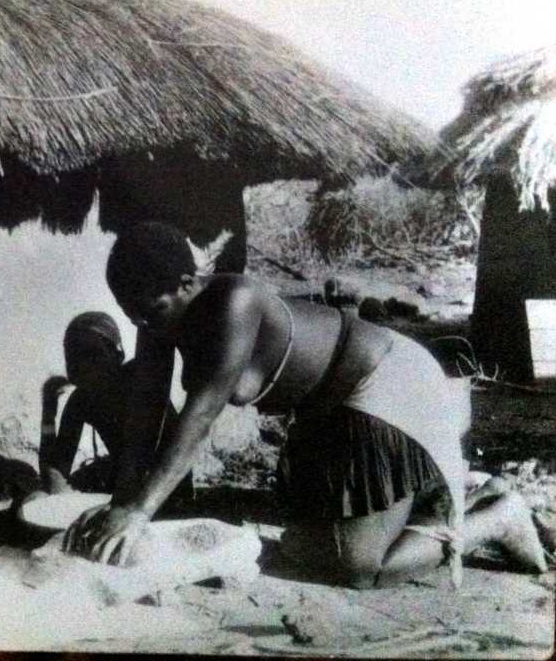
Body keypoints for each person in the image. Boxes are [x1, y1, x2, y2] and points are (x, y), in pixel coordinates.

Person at [64, 221, 548, 589]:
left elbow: (203, 412)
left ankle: (496, 517)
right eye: (135, 318)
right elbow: (146, 411)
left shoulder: (234, 302)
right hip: (326, 414)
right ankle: (441, 494)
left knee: (358, 569)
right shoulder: (157, 322)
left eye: (152, 312)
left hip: (383, 386)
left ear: (188, 282)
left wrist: (139, 513)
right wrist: (122, 503)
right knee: (302, 547)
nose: (146, 327)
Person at [40, 312, 131, 494]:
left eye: (92, 354)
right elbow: (56, 472)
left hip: (160, 485)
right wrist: (48, 413)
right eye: (74, 356)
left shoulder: (140, 382)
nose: (84, 365)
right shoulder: (82, 400)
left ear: (116, 354)